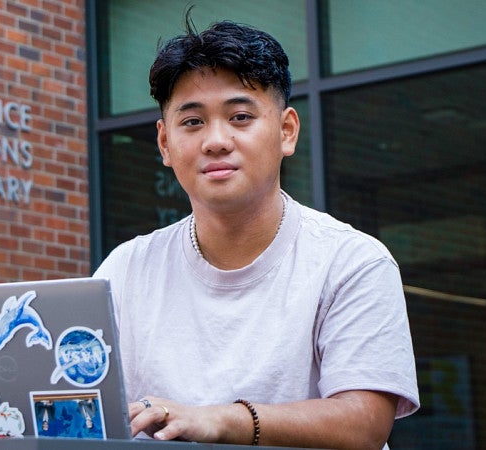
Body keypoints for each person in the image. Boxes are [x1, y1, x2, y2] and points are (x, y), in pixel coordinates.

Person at [92, 13, 420, 450]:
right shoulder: (125, 270)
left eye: (240, 117)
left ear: (286, 131)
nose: (216, 140)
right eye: (192, 122)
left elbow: (364, 423)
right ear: (165, 144)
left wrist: (222, 420)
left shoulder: (353, 261)